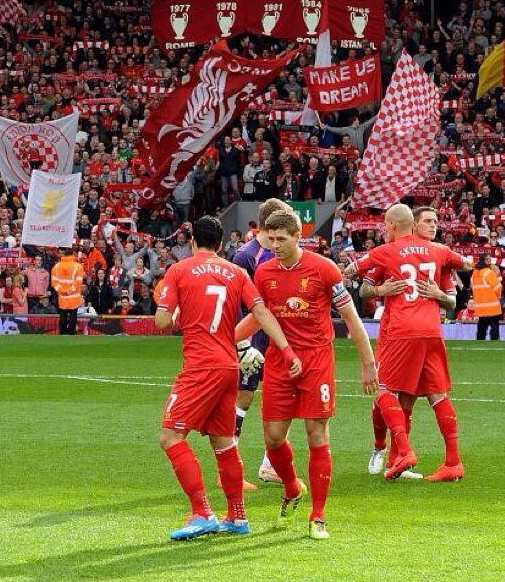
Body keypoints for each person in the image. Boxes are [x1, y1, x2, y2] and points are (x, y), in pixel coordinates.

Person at [153, 216, 302, 541]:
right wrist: (286, 349)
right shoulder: (236, 272)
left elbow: (162, 322)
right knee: (223, 442)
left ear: (193, 242)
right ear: (220, 244)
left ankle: (202, 512)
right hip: (229, 365)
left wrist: (174, 310)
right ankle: (237, 516)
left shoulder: (179, 270)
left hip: (200, 367)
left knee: (170, 437)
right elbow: (260, 313)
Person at [236, 210, 378, 540]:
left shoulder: (324, 269)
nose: (275, 246)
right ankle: (291, 489)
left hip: (316, 361)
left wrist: (368, 362)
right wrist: (227, 340)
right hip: (278, 361)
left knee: (316, 432)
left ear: (298, 237)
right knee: (273, 438)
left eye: (281, 239)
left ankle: (318, 516)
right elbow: (259, 317)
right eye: (271, 239)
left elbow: (351, 318)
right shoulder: (264, 272)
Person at [346, 204, 472, 484]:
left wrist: (439, 295)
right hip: (430, 331)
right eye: (428, 221)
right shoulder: (439, 253)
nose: (433, 225)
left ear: (392, 225)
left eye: (435, 221)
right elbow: (467, 264)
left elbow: (351, 271)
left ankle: (401, 452)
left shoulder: (387, 251)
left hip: (401, 331)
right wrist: (380, 289)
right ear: (414, 224)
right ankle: (450, 462)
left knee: (384, 391)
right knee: (433, 395)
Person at [229, 198, 293, 487]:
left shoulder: (281, 253)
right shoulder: (246, 256)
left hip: (277, 337)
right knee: (243, 397)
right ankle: (230, 468)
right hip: (252, 340)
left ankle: (270, 466)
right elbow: (235, 305)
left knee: (283, 399)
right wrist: (241, 344)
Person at [51, 250, 84, 335]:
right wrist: (69, 291)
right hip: (74, 297)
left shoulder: (56, 266)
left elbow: (54, 282)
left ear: (64, 254)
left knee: (63, 316)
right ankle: (71, 333)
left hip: (62, 297)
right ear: (73, 254)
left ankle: (63, 334)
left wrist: (62, 291)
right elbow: (78, 282)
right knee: (73, 317)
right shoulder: (78, 266)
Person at [471, 255, 502, 340]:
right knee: (494, 331)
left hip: (480, 308)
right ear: (486, 260)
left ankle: (478, 345)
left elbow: (473, 288)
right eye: (489, 259)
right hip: (492, 307)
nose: (491, 260)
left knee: (481, 330)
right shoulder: (488, 272)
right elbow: (498, 287)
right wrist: (498, 297)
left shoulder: (474, 273)